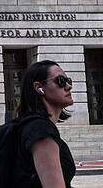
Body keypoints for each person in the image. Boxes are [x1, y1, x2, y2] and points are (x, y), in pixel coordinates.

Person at [14, 60, 76, 188]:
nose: (68, 86)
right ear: (39, 88)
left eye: (68, 80)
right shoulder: (41, 131)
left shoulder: (34, 127)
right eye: (60, 81)